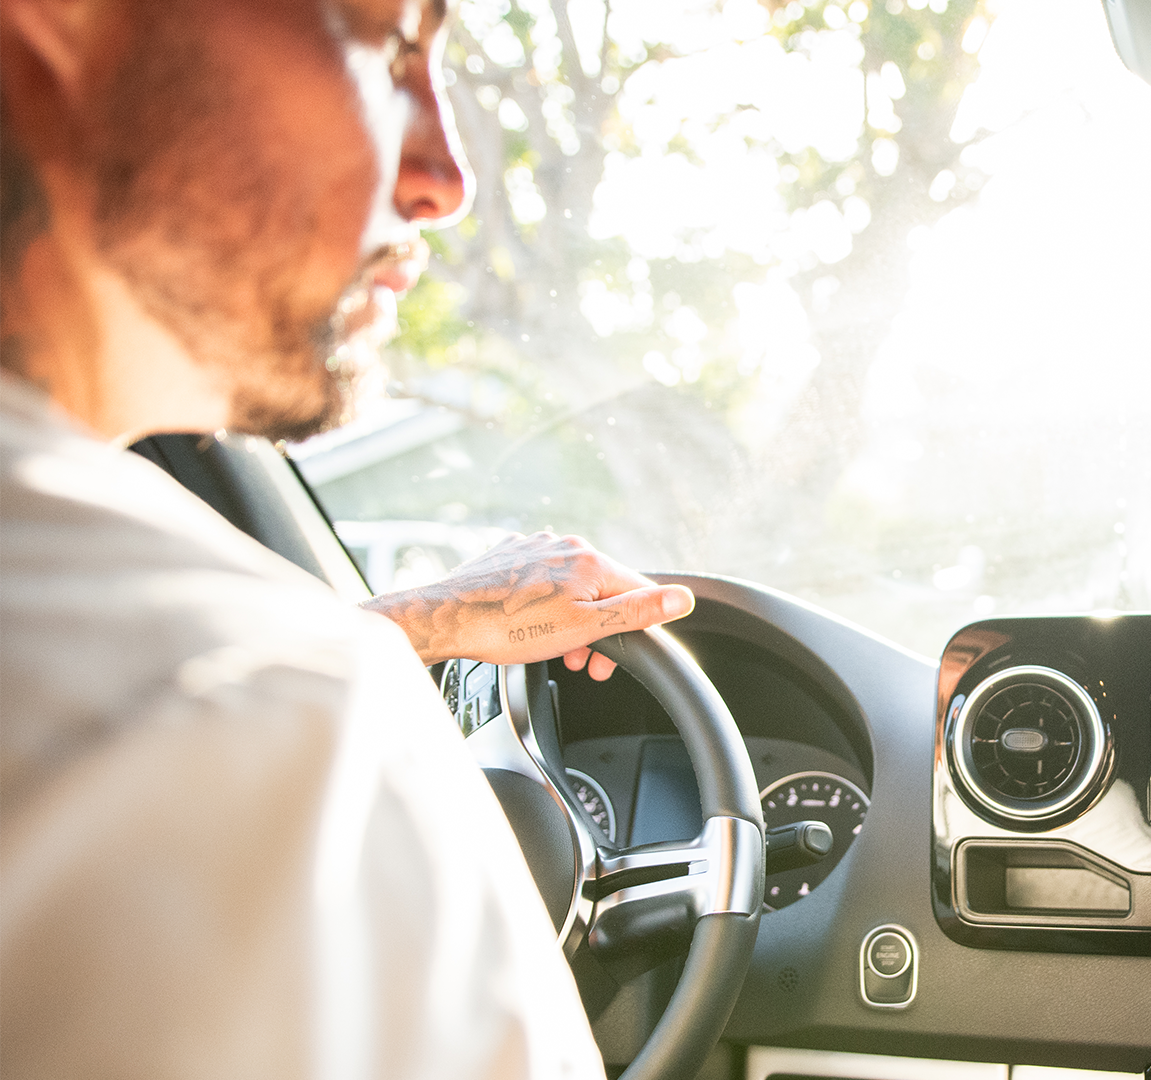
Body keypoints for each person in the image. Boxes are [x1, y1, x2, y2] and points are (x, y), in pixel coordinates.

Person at [0, 1, 686, 1074]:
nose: (447, 178)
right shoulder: (281, 736)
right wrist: (329, 665)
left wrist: (419, 623)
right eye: (388, 44)